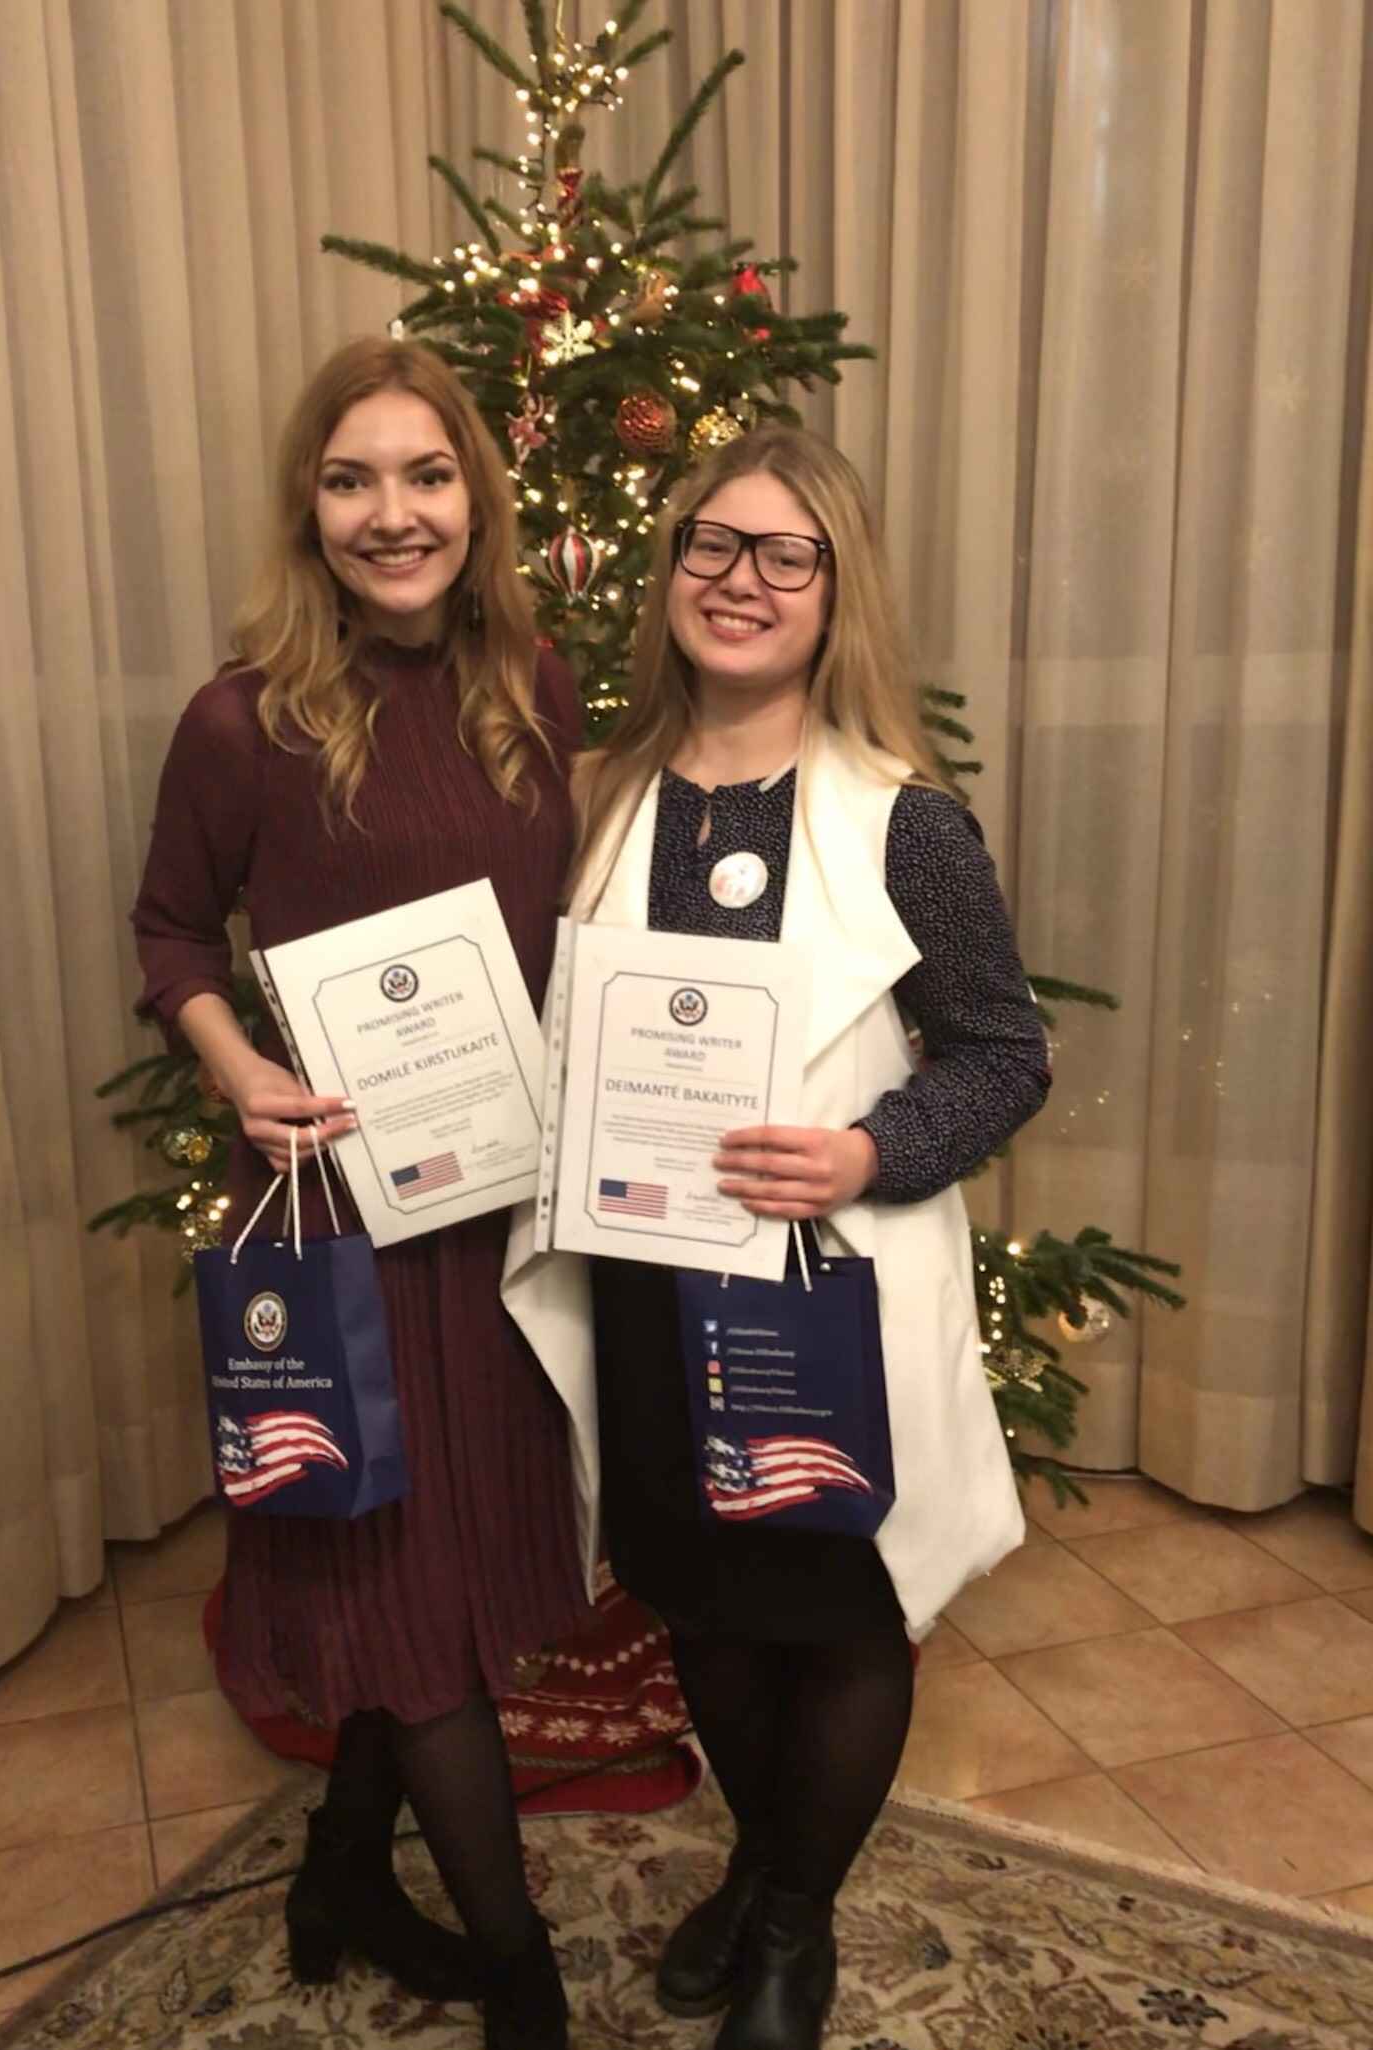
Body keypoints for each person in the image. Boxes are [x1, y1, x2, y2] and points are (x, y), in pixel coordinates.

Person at [132, 338, 595, 2050]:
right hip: (345, 1220)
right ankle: (524, 1978)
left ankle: (338, 1869)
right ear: (307, 507)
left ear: (477, 498)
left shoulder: (533, 686)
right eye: (351, 480)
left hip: (502, 1212)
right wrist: (236, 1067)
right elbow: (170, 928)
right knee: (409, 1605)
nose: (392, 514)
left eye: (426, 474)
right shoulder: (243, 719)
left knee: (458, 1572)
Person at [567, 426, 1049, 2050]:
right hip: (650, 1283)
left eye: (788, 554)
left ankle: (789, 1918)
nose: (742, 580)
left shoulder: (908, 823)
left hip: (822, 1302)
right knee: (701, 1599)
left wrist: (864, 1149)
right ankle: (768, 1861)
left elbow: (1004, 1055)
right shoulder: (603, 797)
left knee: (840, 1608)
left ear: (838, 590)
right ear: (671, 570)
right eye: (713, 544)